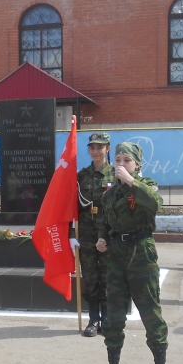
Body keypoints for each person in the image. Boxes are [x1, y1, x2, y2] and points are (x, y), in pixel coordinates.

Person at [94, 142, 171, 364]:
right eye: (117, 160)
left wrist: (131, 181)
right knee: (114, 314)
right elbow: (104, 221)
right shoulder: (110, 194)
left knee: (150, 312)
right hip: (117, 255)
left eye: (126, 160)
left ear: (137, 164)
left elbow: (155, 203)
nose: (120, 165)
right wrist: (102, 238)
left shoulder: (145, 185)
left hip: (141, 254)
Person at [75, 131, 115, 336]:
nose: (96, 150)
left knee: (107, 274)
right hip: (87, 231)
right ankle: (93, 319)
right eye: (92, 147)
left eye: (100, 147)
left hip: (107, 230)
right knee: (89, 275)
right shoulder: (81, 176)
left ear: (107, 149)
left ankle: (106, 318)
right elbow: (73, 206)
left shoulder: (115, 175)